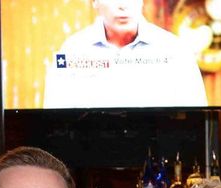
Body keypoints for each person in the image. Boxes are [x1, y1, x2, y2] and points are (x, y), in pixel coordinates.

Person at [44, 0, 208, 109]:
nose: (123, 5)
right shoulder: (71, 50)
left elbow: (197, 120)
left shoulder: (175, 50)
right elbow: (53, 117)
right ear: (95, 2)